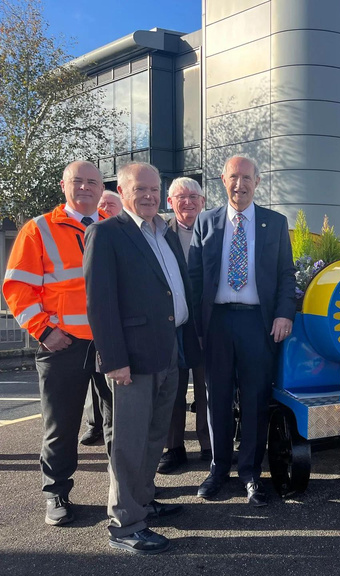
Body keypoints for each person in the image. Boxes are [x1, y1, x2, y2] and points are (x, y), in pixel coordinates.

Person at [84, 162, 200, 554]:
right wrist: (114, 359)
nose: (149, 195)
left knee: (155, 435)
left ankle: (143, 501)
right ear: (122, 189)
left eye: (155, 188)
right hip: (130, 359)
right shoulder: (106, 233)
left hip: (169, 349)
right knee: (130, 441)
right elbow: (100, 304)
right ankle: (125, 524)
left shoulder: (163, 232)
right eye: (141, 189)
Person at [3, 160, 112, 526]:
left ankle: (127, 489)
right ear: (63, 186)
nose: (85, 188)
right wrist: (44, 331)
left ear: (101, 189)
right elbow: (17, 286)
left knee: (118, 422)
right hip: (63, 344)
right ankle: (56, 492)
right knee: (61, 425)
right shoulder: (39, 229)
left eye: (92, 182)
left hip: (111, 344)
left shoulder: (113, 228)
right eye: (77, 181)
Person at [188, 155, 296, 507]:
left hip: (257, 324)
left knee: (254, 401)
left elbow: (285, 275)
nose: (240, 184)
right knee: (216, 398)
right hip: (217, 323)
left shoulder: (275, 223)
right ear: (223, 180)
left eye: (246, 177)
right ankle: (218, 470)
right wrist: (195, 325)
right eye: (234, 177)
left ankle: (250, 474)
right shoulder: (206, 222)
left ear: (257, 181)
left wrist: (284, 314)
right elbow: (194, 278)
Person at [157, 177, 211, 474]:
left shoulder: (216, 229)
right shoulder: (159, 232)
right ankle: (173, 447)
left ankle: (208, 443)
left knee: (207, 386)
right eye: (181, 197)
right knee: (172, 388)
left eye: (193, 196)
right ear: (170, 201)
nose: (188, 202)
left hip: (206, 323)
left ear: (203, 201)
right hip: (172, 323)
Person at [81, 191, 122, 447]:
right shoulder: (95, 231)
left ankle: (109, 434)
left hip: (107, 325)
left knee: (108, 391)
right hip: (78, 328)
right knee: (94, 387)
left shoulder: (124, 233)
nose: (105, 207)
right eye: (102, 204)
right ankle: (94, 425)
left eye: (110, 204)